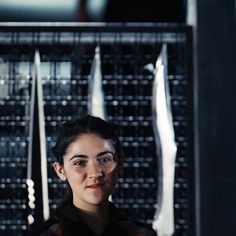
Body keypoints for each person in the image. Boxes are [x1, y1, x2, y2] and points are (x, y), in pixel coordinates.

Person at [31, 115, 157, 236]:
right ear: (60, 171)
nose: (95, 173)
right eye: (80, 162)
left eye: (104, 160)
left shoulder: (141, 233)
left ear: (120, 162)